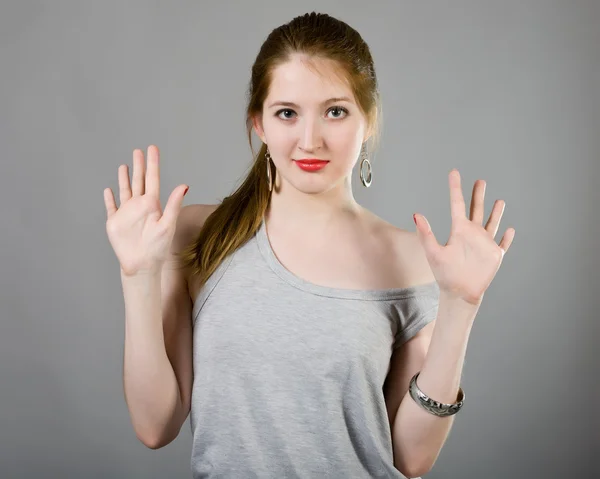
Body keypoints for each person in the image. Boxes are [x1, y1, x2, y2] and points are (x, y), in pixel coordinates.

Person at [103, 12, 515, 479]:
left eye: (335, 111)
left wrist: (461, 305)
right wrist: (137, 278)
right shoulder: (199, 237)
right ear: (258, 122)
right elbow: (155, 425)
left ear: (368, 120)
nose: (310, 140)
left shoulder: (412, 261)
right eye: (287, 113)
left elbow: (411, 459)